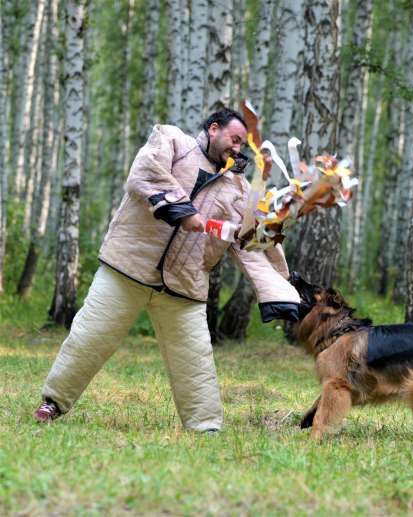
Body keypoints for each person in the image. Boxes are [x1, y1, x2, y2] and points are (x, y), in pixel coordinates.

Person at [33, 108, 301, 433]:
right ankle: (53, 402)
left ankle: (206, 428)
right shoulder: (172, 141)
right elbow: (145, 174)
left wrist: (280, 291)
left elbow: (249, 243)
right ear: (213, 129)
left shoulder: (240, 189)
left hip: (185, 284)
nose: (237, 147)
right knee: (89, 338)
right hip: (128, 267)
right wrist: (183, 211)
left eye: (242, 143)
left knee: (195, 361)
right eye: (233, 139)